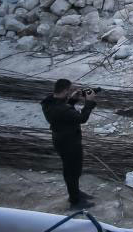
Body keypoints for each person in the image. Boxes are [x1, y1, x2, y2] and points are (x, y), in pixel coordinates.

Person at [41, 79, 96, 209]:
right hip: (69, 143)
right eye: (70, 90)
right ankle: (75, 201)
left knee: (71, 170)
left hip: (61, 140)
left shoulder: (48, 102)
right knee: (73, 171)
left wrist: (72, 100)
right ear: (65, 91)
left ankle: (75, 193)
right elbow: (82, 118)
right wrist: (89, 102)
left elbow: (65, 113)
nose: (71, 92)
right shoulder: (60, 109)